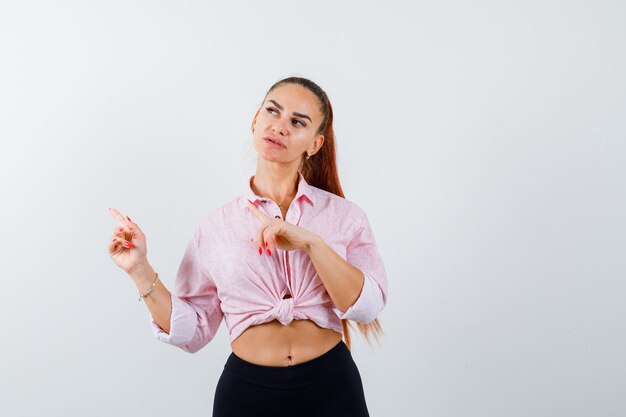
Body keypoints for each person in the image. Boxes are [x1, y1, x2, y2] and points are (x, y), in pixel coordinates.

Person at [107, 76, 388, 417]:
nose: (280, 126)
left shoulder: (344, 217)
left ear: (314, 144)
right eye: (273, 111)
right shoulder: (215, 227)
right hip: (247, 395)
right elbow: (191, 332)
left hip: (331, 386)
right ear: (255, 121)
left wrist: (312, 244)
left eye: (297, 121)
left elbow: (367, 307)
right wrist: (139, 269)